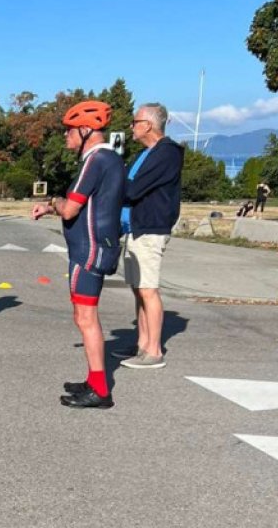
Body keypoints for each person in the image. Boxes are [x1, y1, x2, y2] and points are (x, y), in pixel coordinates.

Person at [31, 101, 124, 409]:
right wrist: (50, 206)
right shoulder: (110, 159)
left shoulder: (95, 160)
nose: (66, 138)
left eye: (69, 131)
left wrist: (53, 202)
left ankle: (100, 389)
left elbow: (71, 207)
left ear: (86, 130)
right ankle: (94, 378)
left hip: (89, 249)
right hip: (95, 246)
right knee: (83, 316)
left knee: (86, 317)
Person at [113, 103, 184, 370]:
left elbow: (132, 189)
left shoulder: (166, 153)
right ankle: (141, 344)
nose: (131, 126)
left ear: (148, 125)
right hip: (135, 228)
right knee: (138, 289)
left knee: (148, 289)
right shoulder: (147, 153)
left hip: (150, 229)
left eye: (135, 121)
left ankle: (153, 351)